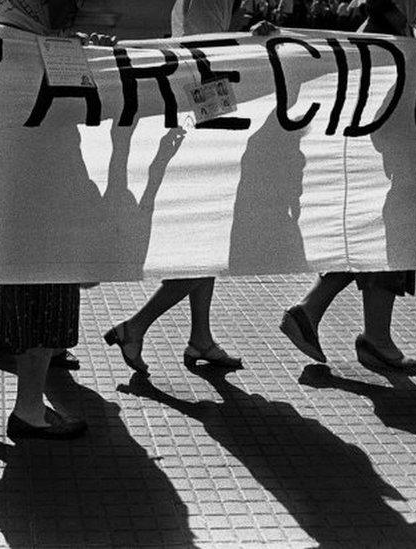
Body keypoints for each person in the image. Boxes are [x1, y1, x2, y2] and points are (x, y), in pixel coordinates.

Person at [0, 0, 98, 441]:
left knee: (17, 281)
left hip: (12, 172)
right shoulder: (21, 40)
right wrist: (72, 60)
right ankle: (29, 410)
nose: (75, 8)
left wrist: (73, 56)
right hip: (45, 177)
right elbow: (74, 108)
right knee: (48, 287)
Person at [279, 0, 416, 372]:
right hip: (386, 160)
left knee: (378, 246)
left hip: (387, 159)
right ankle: (367, 335)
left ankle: (330, 319)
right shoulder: (386, 32)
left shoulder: (394, 29)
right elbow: (384, 100)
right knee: (385, 247)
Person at [104, 0, 244, 376]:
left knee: (204, 246)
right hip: (200, 114)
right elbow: (202, 55)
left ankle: (201, 337)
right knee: (205, 248)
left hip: (203, 112)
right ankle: (135, 326)